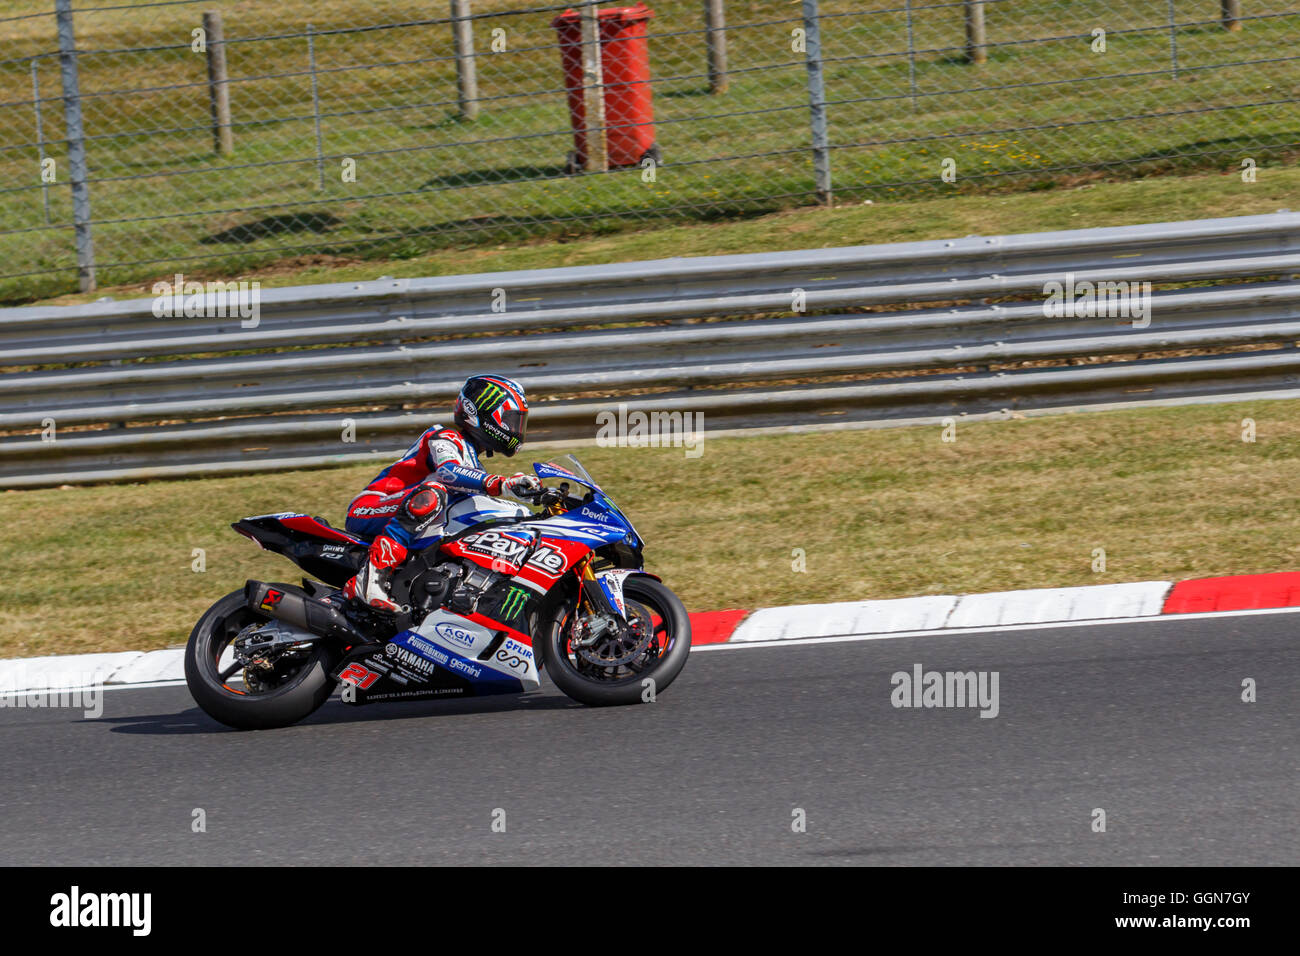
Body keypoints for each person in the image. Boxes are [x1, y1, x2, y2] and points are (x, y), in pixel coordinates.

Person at [341, 374, 540, 612]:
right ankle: (371, 575)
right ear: (479, 412)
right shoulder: (444, 436)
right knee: (433, 493)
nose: (515, 429)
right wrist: (502, 484)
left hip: (403, 515)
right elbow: (448, 472)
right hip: (371, 507)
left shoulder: (474, 462)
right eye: (510, 420)